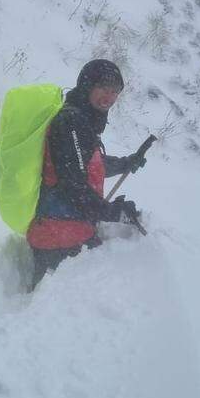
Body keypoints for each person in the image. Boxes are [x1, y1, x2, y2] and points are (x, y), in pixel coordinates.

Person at [25, 59, 146, 288]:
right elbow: (73, 187)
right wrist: (113, 212)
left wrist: (125, 163)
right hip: (59, 239)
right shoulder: (70, 123)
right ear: (86, 85)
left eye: (115, 91)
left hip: (69, 231)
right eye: (103, 88)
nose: (109, 97)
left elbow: (87, 164)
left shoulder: (82, 119)